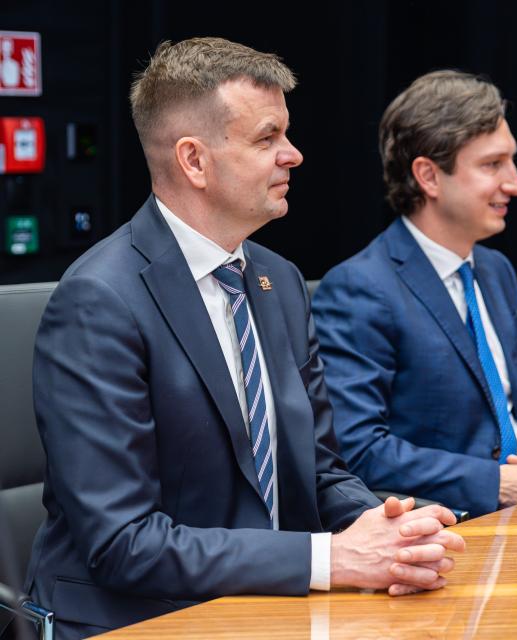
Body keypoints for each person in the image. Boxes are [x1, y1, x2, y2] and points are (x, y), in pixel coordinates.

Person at [22, 39, 464, 640]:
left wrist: (390, 530)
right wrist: (330, 558)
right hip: (143, 621)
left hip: (271, 606)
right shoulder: (98, 301)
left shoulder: (278, 280)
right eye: (267, 137)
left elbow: (320, 472)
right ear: (194, 161)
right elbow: (124, 543)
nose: (293, 154)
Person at [312, 70, 517, 519]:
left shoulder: (496, 271)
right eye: (492, 165)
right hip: (449, 528)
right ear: (429, 176)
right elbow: (357, 448)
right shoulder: (361, 288)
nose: (515, 184)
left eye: (511, 161)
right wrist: (493, 482)